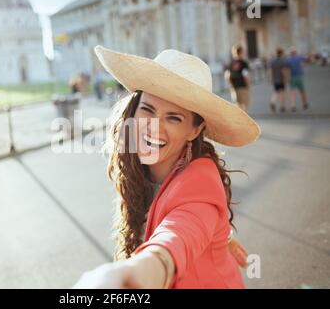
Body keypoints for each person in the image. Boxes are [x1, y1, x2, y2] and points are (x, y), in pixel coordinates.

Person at [73, 45, 260, 289]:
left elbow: (178, 235)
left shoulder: (200, 185)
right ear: (133, 110)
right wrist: (218, 235)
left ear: (195, 130)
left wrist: (136, 274)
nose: (152, 126)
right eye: (147, 110)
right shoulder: (137, 170)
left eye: (174, 118)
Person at [225, 45, 251, 113]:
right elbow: (246, 75)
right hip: (243, 87)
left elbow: (227, 75)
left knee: (237, 105)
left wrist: (231, 85)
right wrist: (248, 86)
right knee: (244, 105)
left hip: (234, 87)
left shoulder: (231, 63)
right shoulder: (244, 63)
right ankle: (244, 121)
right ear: (241, 52)